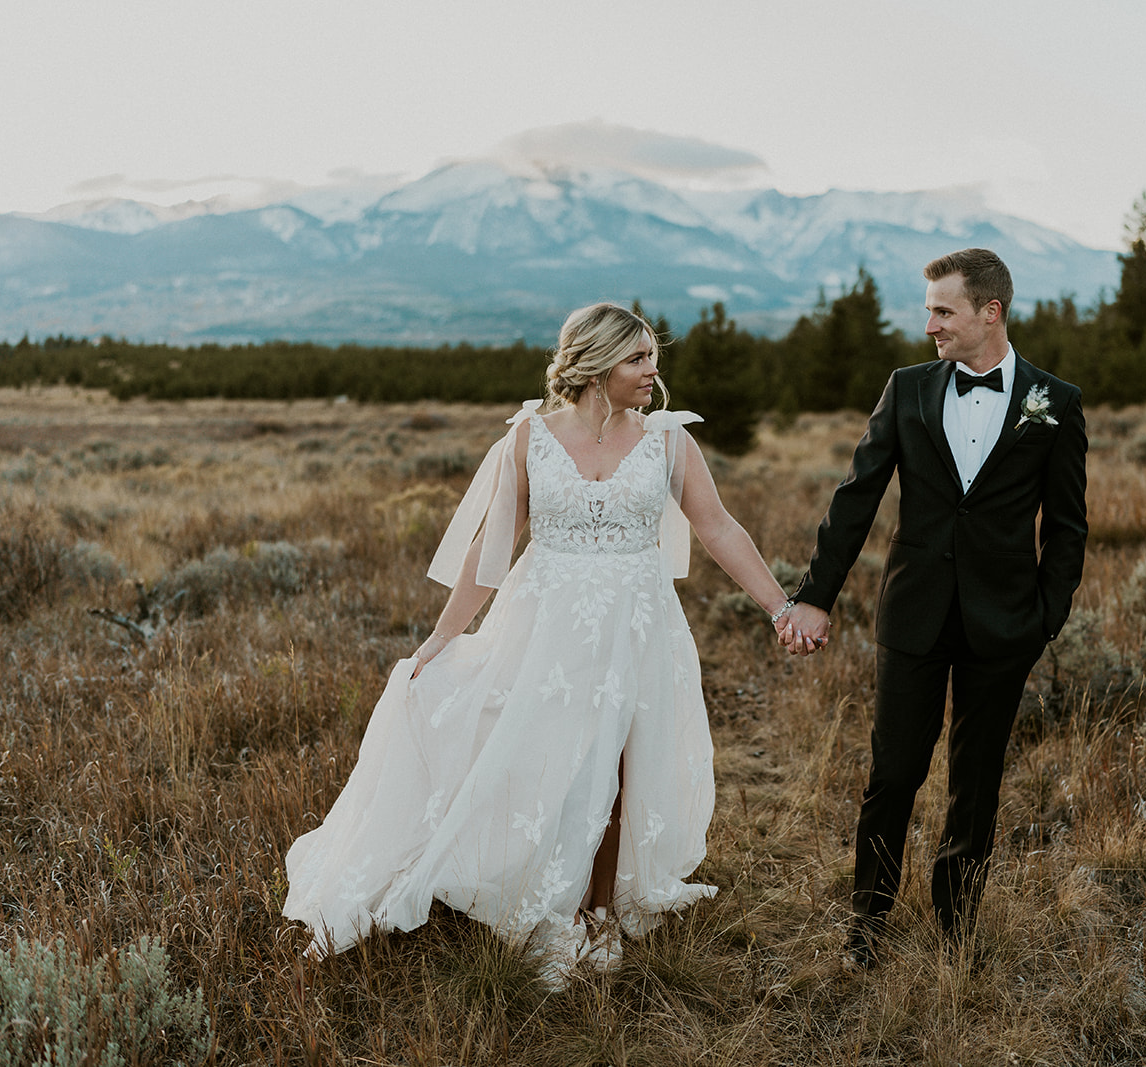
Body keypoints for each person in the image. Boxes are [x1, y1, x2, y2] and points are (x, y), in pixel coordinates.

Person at [284, 303, 794, 988]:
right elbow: (489, 552)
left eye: (652, 358)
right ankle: (534, 885)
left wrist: (779, 606)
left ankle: (601, 908)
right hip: (544, 624)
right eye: (638, 359)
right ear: (594, 365)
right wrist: (443, 634)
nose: (653, 371)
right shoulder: (530, 438)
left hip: (635, 627)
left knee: (615, 764)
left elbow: (719, 527)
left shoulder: (671, 441)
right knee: (544, 755)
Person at [776, 248, 1087, 968]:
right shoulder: (908, 388)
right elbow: (856, 499)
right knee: (893, 775)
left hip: (1003, 624)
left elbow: (1067, 529)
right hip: (913, 616)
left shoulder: (1055, 402)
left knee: (976, 783)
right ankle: (867, 925)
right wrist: (816, 596)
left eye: (943, 311)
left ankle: (956, 930)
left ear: (990, 312)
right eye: (929, 312)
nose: (930, 326)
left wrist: (1043, 620)